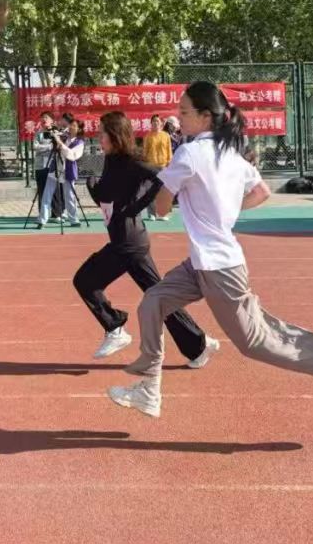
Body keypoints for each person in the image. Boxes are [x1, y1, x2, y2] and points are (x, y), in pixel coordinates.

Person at [107, 81, 313, 418]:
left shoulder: (190, 153)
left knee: (255, 341)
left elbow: (160, 206)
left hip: (220, 269)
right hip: (202, 263)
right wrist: (225, 213)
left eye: (184, 112)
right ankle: (149, 390)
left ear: (205, 117)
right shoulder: (230, 154)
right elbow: (261, 192)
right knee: (153, 303)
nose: (178, 117)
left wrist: (175, 199)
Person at [74, 110, 217, 367]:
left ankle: (115, 327)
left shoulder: (131, 162)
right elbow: (105, 194)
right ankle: (199, 345)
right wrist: (93, 184)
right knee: (159, 297)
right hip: (129, 241)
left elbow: (162, 177)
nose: (98, 137)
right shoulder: (109, 161)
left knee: (84, 280)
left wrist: (137, 207)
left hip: (127, 244)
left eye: (102, 132)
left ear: (115, 135)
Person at [38, 115, 85, 228]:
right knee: (47, 194)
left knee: (69, 195)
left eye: (74, 126)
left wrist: (60, 143)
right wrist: (53, 133)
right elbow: (52, 138)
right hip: (55, 168)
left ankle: (73, 219)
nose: (71, 127)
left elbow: (72, 156)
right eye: (71, 125)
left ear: (79, 129)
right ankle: (42, 220)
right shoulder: (64, 136)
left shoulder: (79, 142)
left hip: (68, 170)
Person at [32, 111, 65, 221]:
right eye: (42, 118)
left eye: (46, 117)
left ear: (52, 120)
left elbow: (60, 146)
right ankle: (42, 214)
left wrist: (54, 137)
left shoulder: (56, 132)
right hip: (40, 166)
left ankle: (57, 214)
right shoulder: (38, 133)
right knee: (41, 190)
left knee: (55, 190)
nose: (43, 119)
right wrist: (49, 146)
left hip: (54, 165)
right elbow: (35, 147)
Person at [141, 114, 172, 221]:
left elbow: (169, 150)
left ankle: (163, 214)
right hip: (151, 166)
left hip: (163, 166)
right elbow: (145, 152)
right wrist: (145, 165)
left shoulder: (166, 136)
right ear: (151, 123)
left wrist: (169, 163)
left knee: (163, 190)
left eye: (157, 121)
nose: (155, 123)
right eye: (154, 121)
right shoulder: (148, 136)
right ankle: (152, 213)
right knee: (150, 190)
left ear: (161, 124)